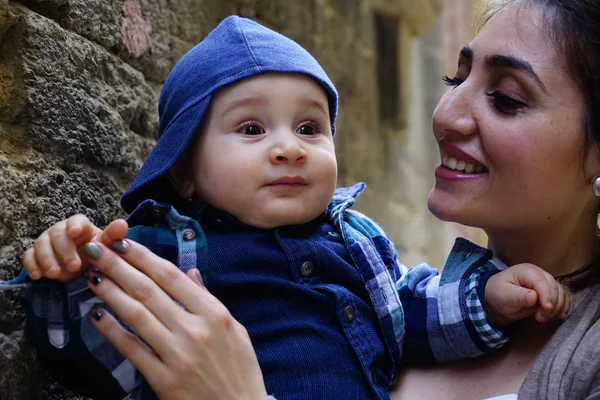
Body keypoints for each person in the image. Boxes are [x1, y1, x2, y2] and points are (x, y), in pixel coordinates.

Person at [18, 14, 570, 400]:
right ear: (184, 169)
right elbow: (89, 348)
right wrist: (66, 274)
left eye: (310, 127)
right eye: (252, 128)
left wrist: (486, 302)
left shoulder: (355, 243)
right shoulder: (165, 253)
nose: (289, 147)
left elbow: (410, 311)